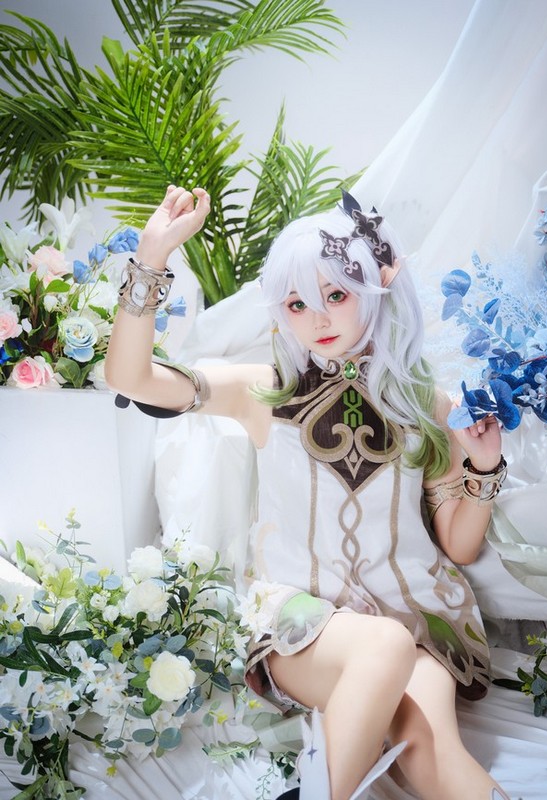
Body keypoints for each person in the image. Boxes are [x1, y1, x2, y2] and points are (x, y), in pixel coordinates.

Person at [105, 185, 510, 800]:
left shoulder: (427, 406)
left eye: (336, 295)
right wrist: (153, 255)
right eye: (296, 303)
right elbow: (131, 377)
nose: (317, 318)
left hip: (414, 614)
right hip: (301, 623)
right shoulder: (264, 391)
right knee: (383, 646)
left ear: (377, 289)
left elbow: (457, 546)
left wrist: (484, 467)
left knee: (428, 747)